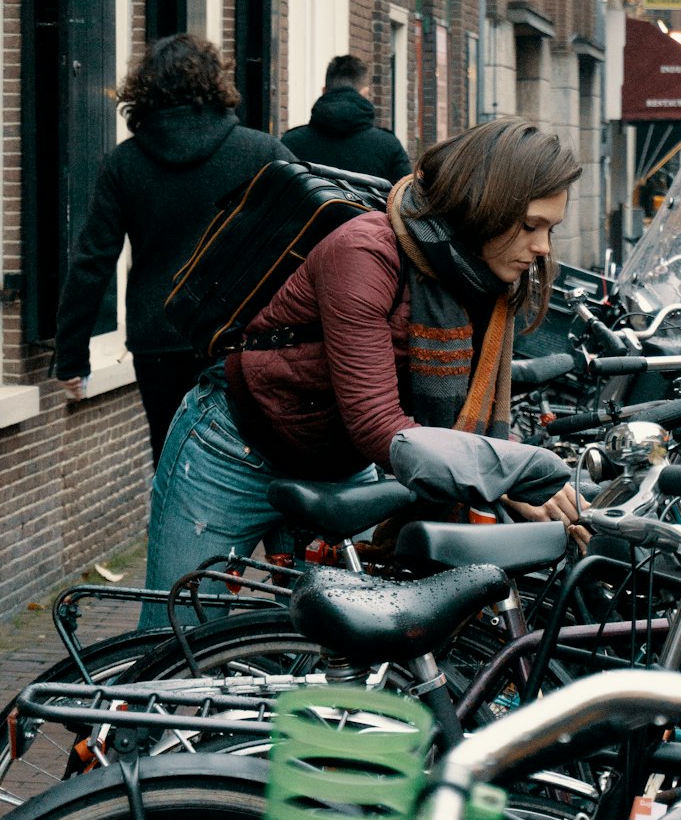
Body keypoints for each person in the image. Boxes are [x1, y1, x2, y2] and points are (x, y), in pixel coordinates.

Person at [139, 119, 584, 625]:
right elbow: (377, 424)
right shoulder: (365, 252)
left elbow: (472, 408)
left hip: (338, 464)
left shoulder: (479, 279)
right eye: (530, 226)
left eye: (551, 228)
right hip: (235, 450)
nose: (544, 247)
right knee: (177, 635)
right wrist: (504, 478)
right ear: (484, 208)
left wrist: (508, 471)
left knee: (334, 650)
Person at [52, 34, 294, 466]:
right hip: (242, 337)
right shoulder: (262, 153)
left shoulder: (124, 164)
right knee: (259, 466)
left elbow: (92, 262)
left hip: (158, 338)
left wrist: (72, 357)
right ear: (214, 84)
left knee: (172, 465)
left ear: (143, 91)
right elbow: (307, 240)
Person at [282, 53, 411, 183]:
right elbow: (405, 200)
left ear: (324, 91)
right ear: (365, 93)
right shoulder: (389, 146)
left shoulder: (290, 143)